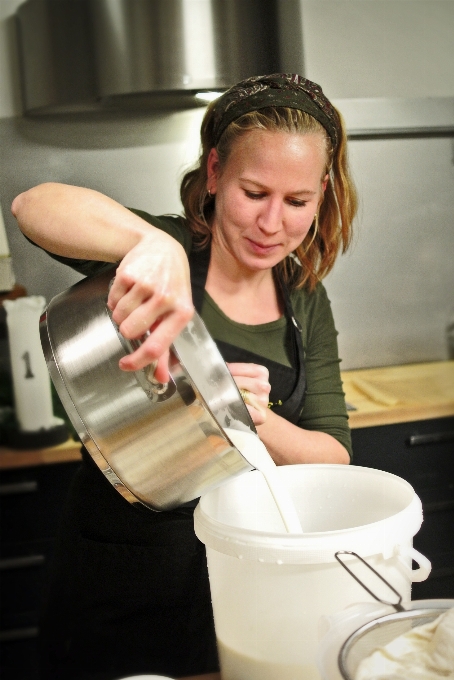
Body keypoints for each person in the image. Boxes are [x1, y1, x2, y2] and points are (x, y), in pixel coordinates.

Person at [12, 73, 357, 680]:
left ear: (322, 193)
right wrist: (150, 243)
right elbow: (32, 206)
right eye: (254, 192)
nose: (272, 223)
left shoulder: (304, 299)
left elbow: (333, 456)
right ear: (217, 172)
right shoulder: (162, 252)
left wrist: (249, 415)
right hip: (118, 576)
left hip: (238, 585)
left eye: (297, 202)